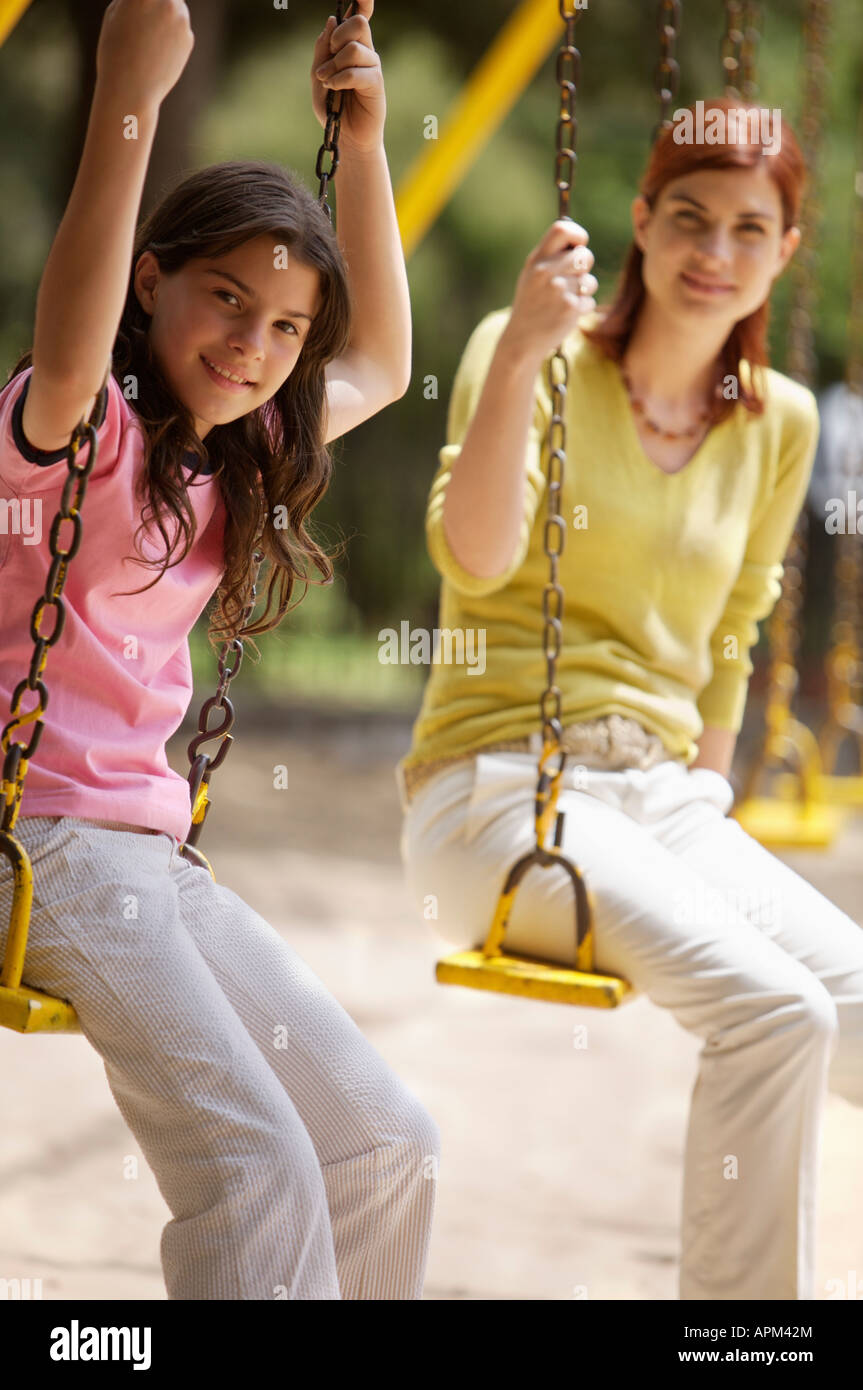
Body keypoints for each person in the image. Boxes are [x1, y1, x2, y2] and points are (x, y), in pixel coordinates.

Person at [0, 0, 439, 1300]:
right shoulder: (78, 423)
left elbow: (385, 358)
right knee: (257, 1167)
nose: (253, 344)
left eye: (284, 327)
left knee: (381, 1141)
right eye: (225, 299)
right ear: (152, 280)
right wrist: (128, 89)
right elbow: (71, 326)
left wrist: (359, 144)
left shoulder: (239, 458)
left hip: (147, 852)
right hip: (41, 840)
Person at [397, 97, 863, 1301]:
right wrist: (510, 358)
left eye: (748, 230)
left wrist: (703, 797)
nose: (715, 254)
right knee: (775, 1013)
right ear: (641, 225)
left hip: (659, 795)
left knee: (853, 1006)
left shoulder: (777, 424)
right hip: (501, 797)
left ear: (783, 250)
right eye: (689, 220)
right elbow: (479, 556)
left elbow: (733, 630)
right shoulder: (534, 352)